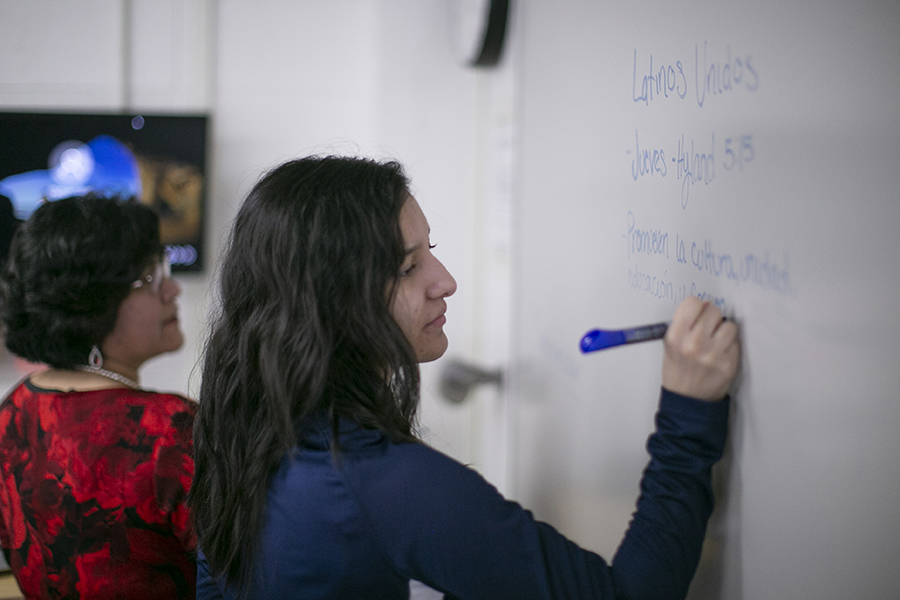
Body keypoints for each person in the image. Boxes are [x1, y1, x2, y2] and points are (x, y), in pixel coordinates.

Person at [190, 155, 740, 600]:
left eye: (432, 251)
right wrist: (687, 418)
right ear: (330, 302)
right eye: (408, 268)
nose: (445, 281)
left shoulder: (244, 425)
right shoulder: (382, 482)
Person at [0, 195, 197, 599]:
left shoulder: (15, 409)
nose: (173, 288)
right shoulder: (169, 429)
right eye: (151, 277)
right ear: (92, 305)